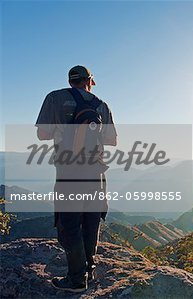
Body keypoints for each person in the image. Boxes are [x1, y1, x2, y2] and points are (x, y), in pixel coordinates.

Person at [35, 65, 117, 292]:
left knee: (68, 223)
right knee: (91, 220)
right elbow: (112, 140)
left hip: (69, 171)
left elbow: (42, 134)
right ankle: (88, 269)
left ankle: (76, 280)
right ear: (89, 80)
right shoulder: (102, 105)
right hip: (97, 172)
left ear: (71, 81)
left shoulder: (55, 98)